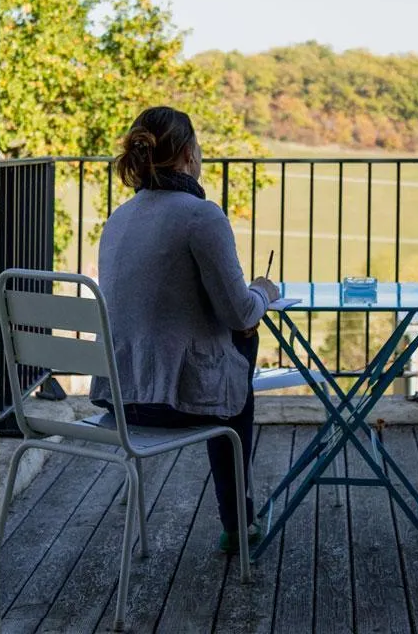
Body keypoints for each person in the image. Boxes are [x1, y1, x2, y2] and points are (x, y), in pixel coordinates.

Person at [90, 105, 280, 553]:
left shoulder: (117, 220)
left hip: (121, 403)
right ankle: (238, 523)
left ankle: (239, 520)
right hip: (177, 404)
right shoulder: (201, 215)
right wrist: (264, 292)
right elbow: (240, 314)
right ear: (190, 153)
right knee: (242, 340)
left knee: (227, 346)